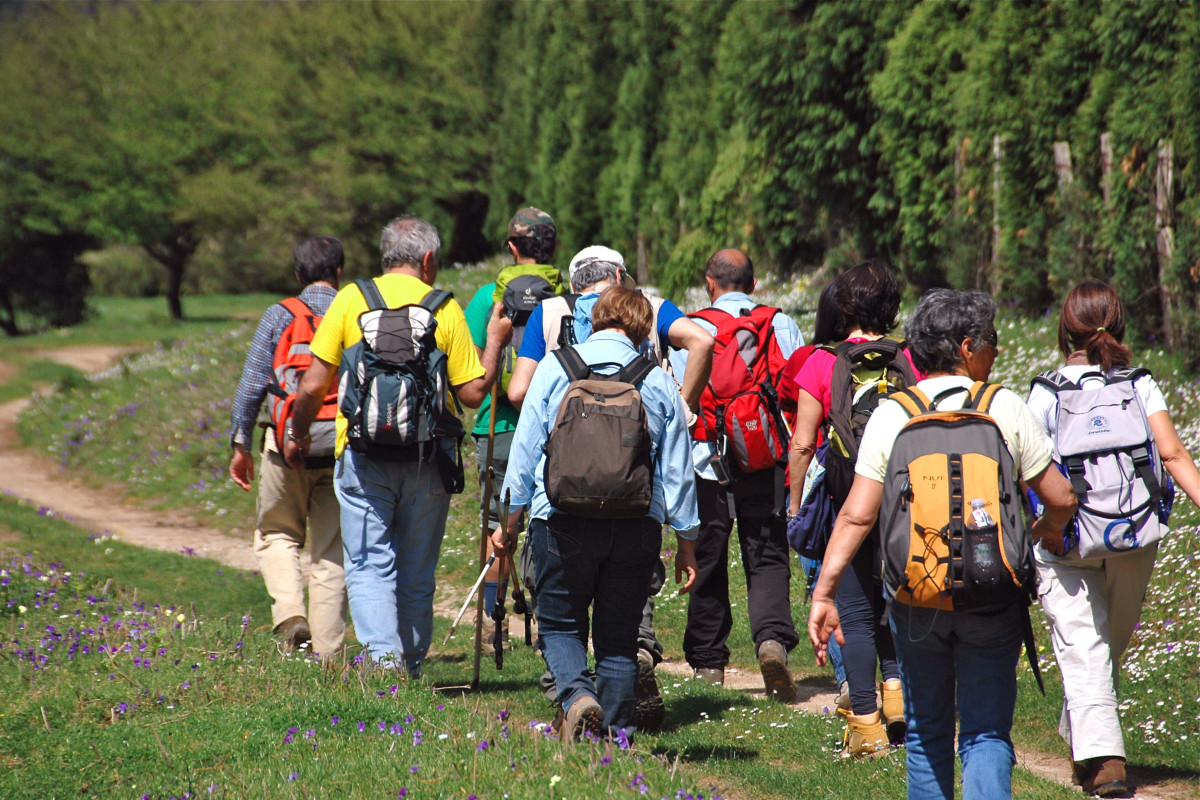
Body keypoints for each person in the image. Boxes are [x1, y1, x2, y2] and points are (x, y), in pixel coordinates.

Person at [809, 289, 1078, 798]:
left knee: (927, 734)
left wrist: (824, 594)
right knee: (985, 733)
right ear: (967, 346)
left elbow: (856, 514)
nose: (997, 351)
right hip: (993, 596)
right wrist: (1044, 532)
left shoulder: (894, 413)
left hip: (916, 596)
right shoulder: (1004, 406)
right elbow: (1060, 496)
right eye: (992, 341)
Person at [283, 215, 510, 675]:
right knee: (416, 570)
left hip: (363, 457)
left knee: (368, 565)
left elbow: (310, 387)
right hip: (428, 460)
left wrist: (298, 433)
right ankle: (409, 665)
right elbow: (471, 394)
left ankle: (384, 666)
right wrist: (495, 342)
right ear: (428, 260)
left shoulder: (350, 300)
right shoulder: (442, 307)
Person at [507, 245, 714, 730]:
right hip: (635, 522)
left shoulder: (559, 366)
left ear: (591, 316)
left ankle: (577, 696)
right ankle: (615, 744)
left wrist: (510, 519)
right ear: (645, 327)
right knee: (620, 637)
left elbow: (525, 447)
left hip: (559, 518)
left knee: (559, 624)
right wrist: (687, 543)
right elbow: (679, 470)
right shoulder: (657, 381)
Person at [1025, 281, 1200, 797]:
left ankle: (1094, 747)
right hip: (1134, 533)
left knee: (1087, 645)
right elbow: (1173, 456)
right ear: (1117, 325)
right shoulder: (1140, 384)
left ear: (1065, 330)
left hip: (1068, 539)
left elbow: (1027, 471)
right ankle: (1104, 761)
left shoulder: (1047, 391)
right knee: (1105, 644)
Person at [786, 260, 914, 751]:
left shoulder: (821, 362)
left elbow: (801, 445)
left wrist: (796, 505)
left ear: (842, 306)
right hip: (908, 502)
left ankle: (865, 724)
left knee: (855, 613)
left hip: (849, 501)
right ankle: (899, 697)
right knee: (899, 603)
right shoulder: (912, 360)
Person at [675, 248, 803, 702]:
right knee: (767, 553)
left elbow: (677, 402)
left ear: (710, 282)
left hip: (704, 460)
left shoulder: (689, 328)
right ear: (752, 284)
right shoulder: (778, 323)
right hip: (763, 458)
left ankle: (709, 665)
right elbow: (795, 389)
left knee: (706, 560)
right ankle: (771, 642)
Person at [228, 236, 347, 660]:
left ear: (298, 276)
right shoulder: (354, 310)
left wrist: (240, 444)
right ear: (339, 272)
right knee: (332, 550)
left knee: (277, 533)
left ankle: (292, 615)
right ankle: (330, 656)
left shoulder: (279, 315)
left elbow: (251, 386)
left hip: (285, 445)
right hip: (340, 447)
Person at [462, 207, 564, 645]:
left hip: (499, 424)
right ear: (552, 249)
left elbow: (469, 358)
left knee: (498, 526)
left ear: (511, 247)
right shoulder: (568, 296)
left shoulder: (490, 296)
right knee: (552, 521)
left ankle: (492, 621)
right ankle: (551, 621)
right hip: (558, 428)